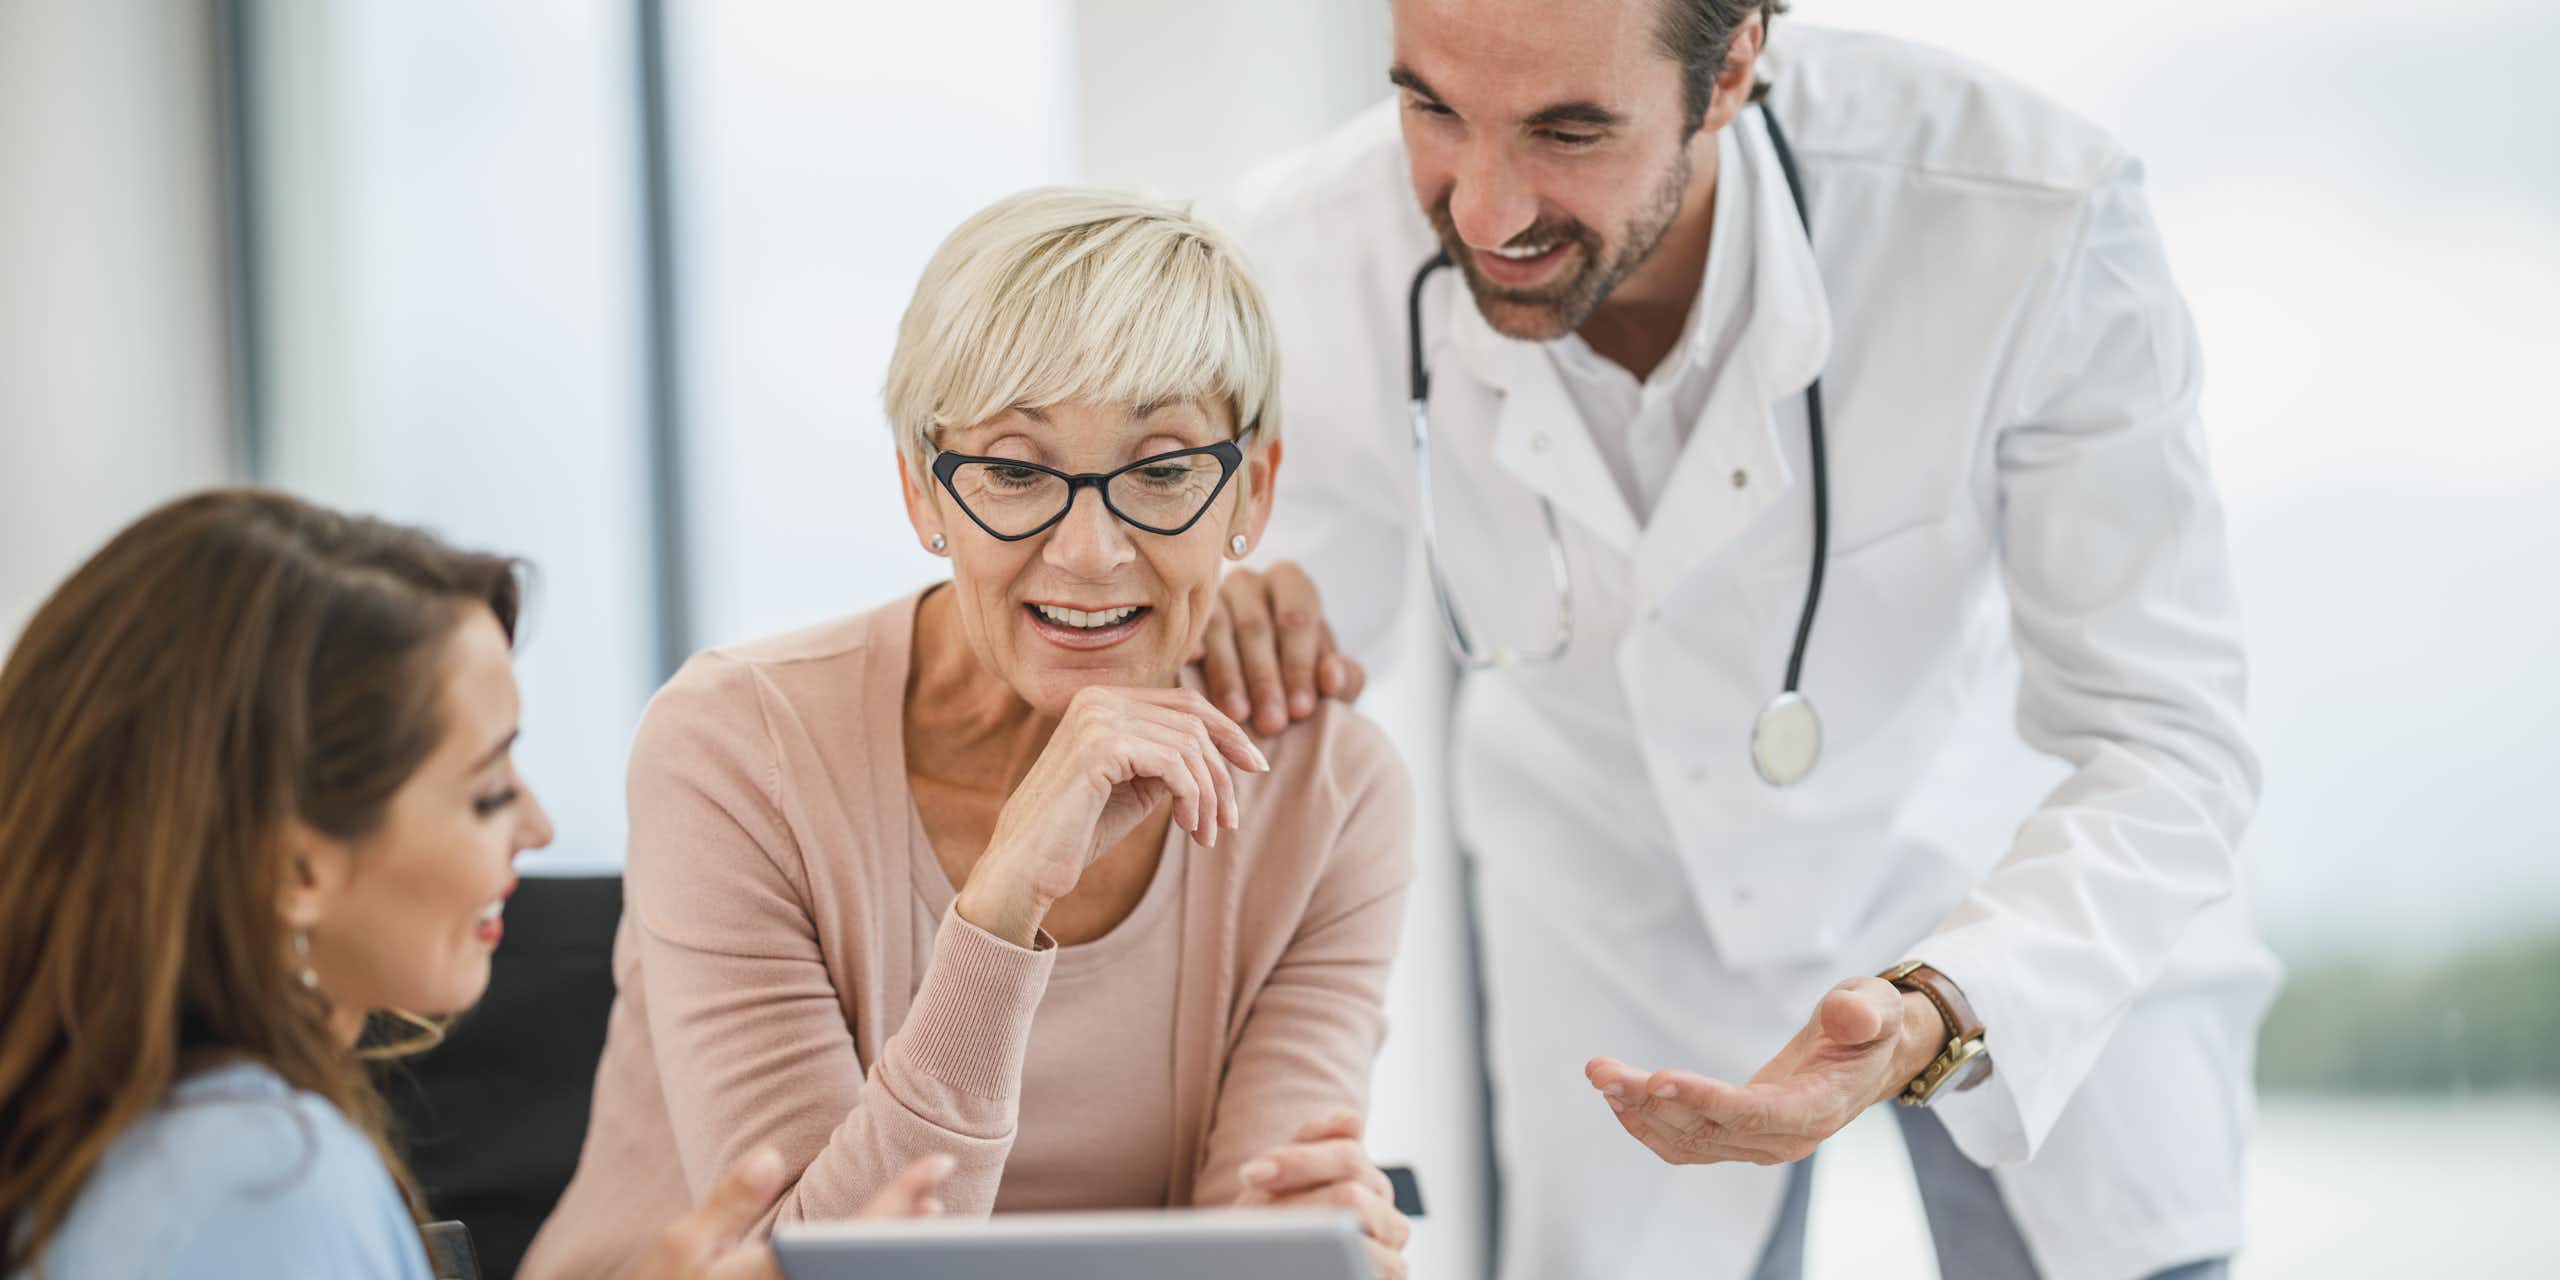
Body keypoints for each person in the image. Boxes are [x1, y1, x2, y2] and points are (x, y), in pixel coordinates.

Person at [1194, 2, 2281, 1278]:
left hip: (1997, 849)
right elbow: (1290, 682)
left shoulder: (2025, 212)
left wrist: (1940, 1006)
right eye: (1431, 108)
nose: (1483, 212)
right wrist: (1226, 621)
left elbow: (2166, 735)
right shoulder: (1304, 256)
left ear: (1733, 68)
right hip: (1608, 885)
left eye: (1569, 129)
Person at [523, 189, 1417, 1280]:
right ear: (920, 490)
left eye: (1164, 469)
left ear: (1253, 491)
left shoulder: (1328, 790)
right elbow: (804, 1266)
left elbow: (1253, 1242)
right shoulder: (731, 747)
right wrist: (997, 911)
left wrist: (1321, 1242)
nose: (1090, 550)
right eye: (1013, 469)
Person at [0, 490, 949, 1280]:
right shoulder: (263, 1180)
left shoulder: (143, 1146)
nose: (535, 828)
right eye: (490, 791)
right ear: (294, 869)